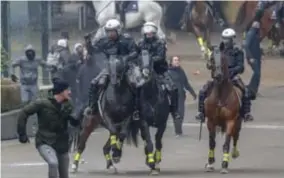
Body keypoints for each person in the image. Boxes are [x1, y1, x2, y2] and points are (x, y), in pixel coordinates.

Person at [17, 79, 80, 178]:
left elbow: (74, 121)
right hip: (45, 141)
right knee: (53, 163)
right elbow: (24, 112)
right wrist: (22, 134)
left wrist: (76, 120)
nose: (70, 92)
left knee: (64, 175)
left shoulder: (68, 103)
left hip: (62, 144)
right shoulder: (42, 103)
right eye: (67, 90)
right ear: (61, 91)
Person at [195, 28, 254, 123]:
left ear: (232, 39)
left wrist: (231, 71)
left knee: (245, 92)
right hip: (219, 77)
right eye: (224, 38)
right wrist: (210, 65)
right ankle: (201, 112)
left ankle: (246, 113)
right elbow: (211, 63)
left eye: (228, 39)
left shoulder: (237, 51)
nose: (225, 41)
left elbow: (241, 67)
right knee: (203, 91)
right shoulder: (218, 51)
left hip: (232, 76)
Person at [86, 19, 138, 122]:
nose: (110, 33)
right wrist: (88, 42)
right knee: (94, 83)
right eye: (108, 31)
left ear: (118, 30)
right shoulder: (103, 41)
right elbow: (93, 51)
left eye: (112, 31)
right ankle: (92, 108)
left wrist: (126, 58)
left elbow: (135, 52)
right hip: (109, 67)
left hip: (126, 67)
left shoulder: (127, 39)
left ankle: (137, 108)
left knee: (135, 83)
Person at [137, 21, 181, 121]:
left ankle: (174, 110)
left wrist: (149, 60)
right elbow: (136, 56)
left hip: (160, 70)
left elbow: (160, 57)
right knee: (134, 88)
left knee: (173, 89)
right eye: (147, 33)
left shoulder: (160, 43)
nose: (149, 35)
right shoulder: (140, 43)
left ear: (154, 33)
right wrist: (142, 64)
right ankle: (135, 110)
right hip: (143, 71)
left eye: (151, 33)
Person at [168, 56, 197, 136]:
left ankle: (178, 130)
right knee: (176, 114)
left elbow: (186, 83)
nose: (177, 61)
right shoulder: (168, 72)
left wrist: (193, 93)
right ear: (171, 62)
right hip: (172, 96)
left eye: (178, 60)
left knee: (181, 114)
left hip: (181, 96)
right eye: (175, 60)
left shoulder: (181, 71)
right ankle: (178, 131)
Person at [244, 21, 262, 100]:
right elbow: (246, 46)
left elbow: (256, 46)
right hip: (253, 58)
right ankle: (251, 88)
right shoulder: (251, 34)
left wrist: (262, 54)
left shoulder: (255, 34)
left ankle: (254, 89)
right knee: (257, 73)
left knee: (258, 74)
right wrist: (250, 57)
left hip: (257, 57)